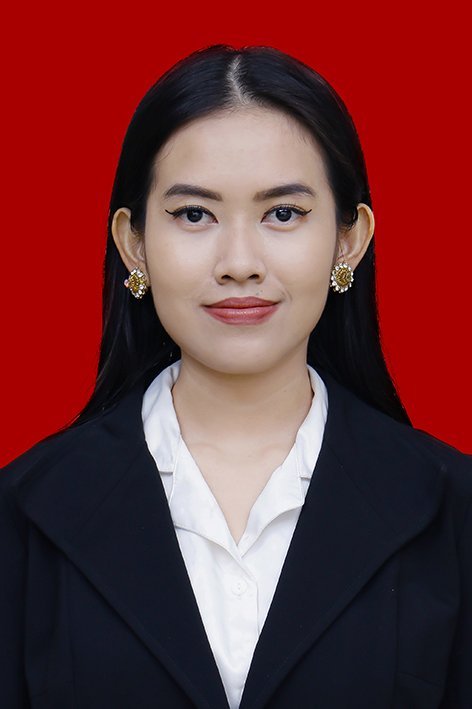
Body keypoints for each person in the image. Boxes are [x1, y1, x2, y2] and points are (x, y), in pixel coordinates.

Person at [1, 44, 471, 709]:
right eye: (194, 214)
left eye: (284, 213)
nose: (240, 262)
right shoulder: (24, 513)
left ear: (349, 239)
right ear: (134, 244)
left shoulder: (453, 509)